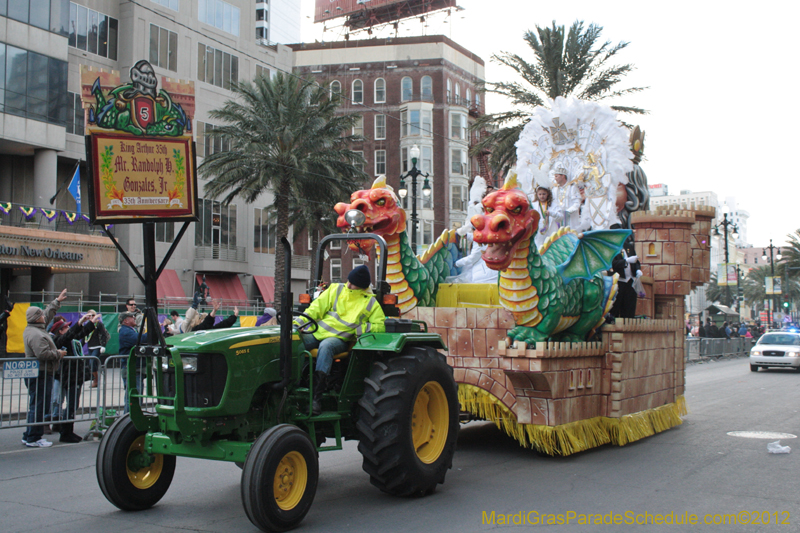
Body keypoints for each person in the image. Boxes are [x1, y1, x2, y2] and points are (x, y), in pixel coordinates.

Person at [293, 265, 386, 415]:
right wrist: (298, 324)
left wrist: (358, 330)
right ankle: (292, 384)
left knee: (326, 346)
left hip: (339, 340)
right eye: (348, 280)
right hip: (318, 332)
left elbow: (380, 326)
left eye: (352, 283)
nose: (348, 284)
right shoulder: (335, 290)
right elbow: (315, 308)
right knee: (294, 340)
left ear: (362, 287)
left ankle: (316, 398)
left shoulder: (370, 303)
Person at [22, 288, 67, 447]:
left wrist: (57, 301)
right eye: (40, 315)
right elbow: (43, 354)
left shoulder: (36, 328)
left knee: (37, 404)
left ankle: (29, 434)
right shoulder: (36, 334)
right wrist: (58, 354)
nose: (44, 316)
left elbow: (47, 314)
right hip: (40, 373)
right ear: (36, 318)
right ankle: (34, 437)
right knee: (39, 405)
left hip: (39, 372)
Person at [50, 313, 99, 443]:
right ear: (60, 331)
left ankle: (68, 431)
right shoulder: (59, 341)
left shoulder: (69, 340)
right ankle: (66, 432)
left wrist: (90, 323)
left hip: (76, 375)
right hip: (69, 375)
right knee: (71, 404)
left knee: (74, 404)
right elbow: (71, 334)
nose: (68, 329)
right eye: (65, 327)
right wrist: (79, 322)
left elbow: (79, 334)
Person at [609, 236, 642, 319]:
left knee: (629, 307)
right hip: (618, 282)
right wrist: (626, 261)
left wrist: (637, 270)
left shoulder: (628, 246)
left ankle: (628, 325)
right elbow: (612, 264)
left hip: (630, 282)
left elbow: (636, 261)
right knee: (615, 307)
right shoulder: (611, 247)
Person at [118, 311, 143, 413]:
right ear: (126, 321)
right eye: (132, 317)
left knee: (135, 396)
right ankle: (129, 420)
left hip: (134, 368)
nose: (134, 318)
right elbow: (138, 340)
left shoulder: (130, 330)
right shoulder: (126, 332)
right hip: (131, 369)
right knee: (133, 397)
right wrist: (151, 335)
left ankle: (131, 418)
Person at [85, 309, 109, 387]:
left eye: (92, 315)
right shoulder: (87, 324)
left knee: (92, 362)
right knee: (91, 364)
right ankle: (96, 378)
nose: (90, 317)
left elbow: (104, 334)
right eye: (88, 316)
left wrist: (103, 346)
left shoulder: (99, 324)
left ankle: (96, 380)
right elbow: (83, 336)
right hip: (90, 346)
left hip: (97, 346)